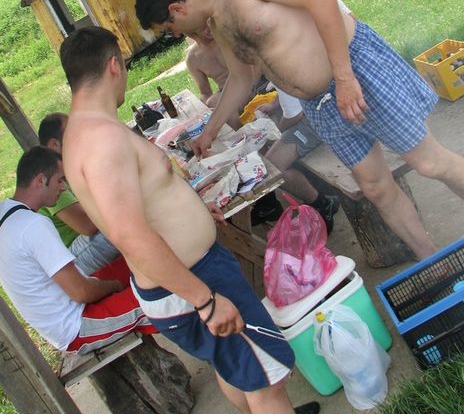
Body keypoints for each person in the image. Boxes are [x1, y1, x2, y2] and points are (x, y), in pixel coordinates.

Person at [135, 0, 464, 261]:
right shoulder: (218, 23)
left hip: (352, 72)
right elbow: (240, 78)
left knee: (429, 162)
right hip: (319, 104)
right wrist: (209, 132)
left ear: (176, 9)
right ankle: (434, 261)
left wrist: (344, 78)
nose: (176, 34)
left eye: (169, 28)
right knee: (375, 188)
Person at [59, 26, 319, 414]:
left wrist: (192, 210)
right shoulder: (102, 141)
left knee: (238, 368)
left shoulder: (82, 133)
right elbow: (129, 234)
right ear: (114, 65)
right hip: (192, 280)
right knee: (268, 381)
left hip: (184, 275)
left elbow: (140, 204)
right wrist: (205, 300)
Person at [0, 146, 157, 354]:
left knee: (140, 260)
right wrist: (115, 286)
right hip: (76, 326)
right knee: (164, 299)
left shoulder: (7, 213)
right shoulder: (32, 225)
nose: (63, 187)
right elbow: (81, 292)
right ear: (40, 180)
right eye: (59, 180)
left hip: (66, 310)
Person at [38, 112, 119, 275]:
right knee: (120, 225)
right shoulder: (48, 175)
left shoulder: (70, 166)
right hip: (70, 259)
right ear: (54, 145)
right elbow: (87, 226)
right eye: (73, 133)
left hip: (86, 238)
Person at [259, 87, 338, 234]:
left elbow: (294, 115)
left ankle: (323, 204)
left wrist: (275, 132)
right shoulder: (275, 72)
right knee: (270, 165)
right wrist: (274, 104)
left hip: (322, 116)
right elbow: (284, 87)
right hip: (315, 109)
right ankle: (268, 205)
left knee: (271, 169)